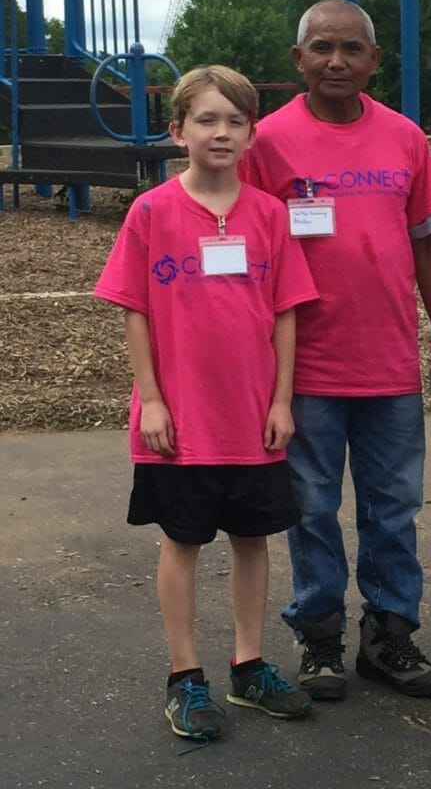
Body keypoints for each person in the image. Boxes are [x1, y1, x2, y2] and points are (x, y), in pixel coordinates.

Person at [239, 0, 431, 701]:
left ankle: (389, 635)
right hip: (301, 370)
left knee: (392, 508)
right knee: (309, 508)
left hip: (388, 366)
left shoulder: (402, 140)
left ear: (373, 60)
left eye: (351, 49)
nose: (337, 61)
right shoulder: (266, 143)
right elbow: (243, 253)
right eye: (322, 48)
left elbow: (430, 245)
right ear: (298, 60)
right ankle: (321, 639)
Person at [94, 65, 319, 743]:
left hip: (252, 418)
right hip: (180, 422)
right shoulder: (152, 212)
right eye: (206, 120)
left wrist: (281, 400)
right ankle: (184, 677)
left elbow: (285, 313)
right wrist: (153, 401)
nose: (221, 132)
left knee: (253, 540)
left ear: (251, 133)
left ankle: (248, 665)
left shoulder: (269, 215)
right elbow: (133, 309)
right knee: (183, 541)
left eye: (234, 120)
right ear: (178, 131)